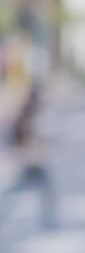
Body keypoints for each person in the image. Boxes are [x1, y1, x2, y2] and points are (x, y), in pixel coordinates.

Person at [0, 81, 57, 231]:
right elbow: (20, 138)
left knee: (46, 191)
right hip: (29, 162)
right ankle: (49, 223)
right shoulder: (27, 115)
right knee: (16, 193)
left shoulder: (32, 113)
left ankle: (49, 223)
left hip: (33, 162)